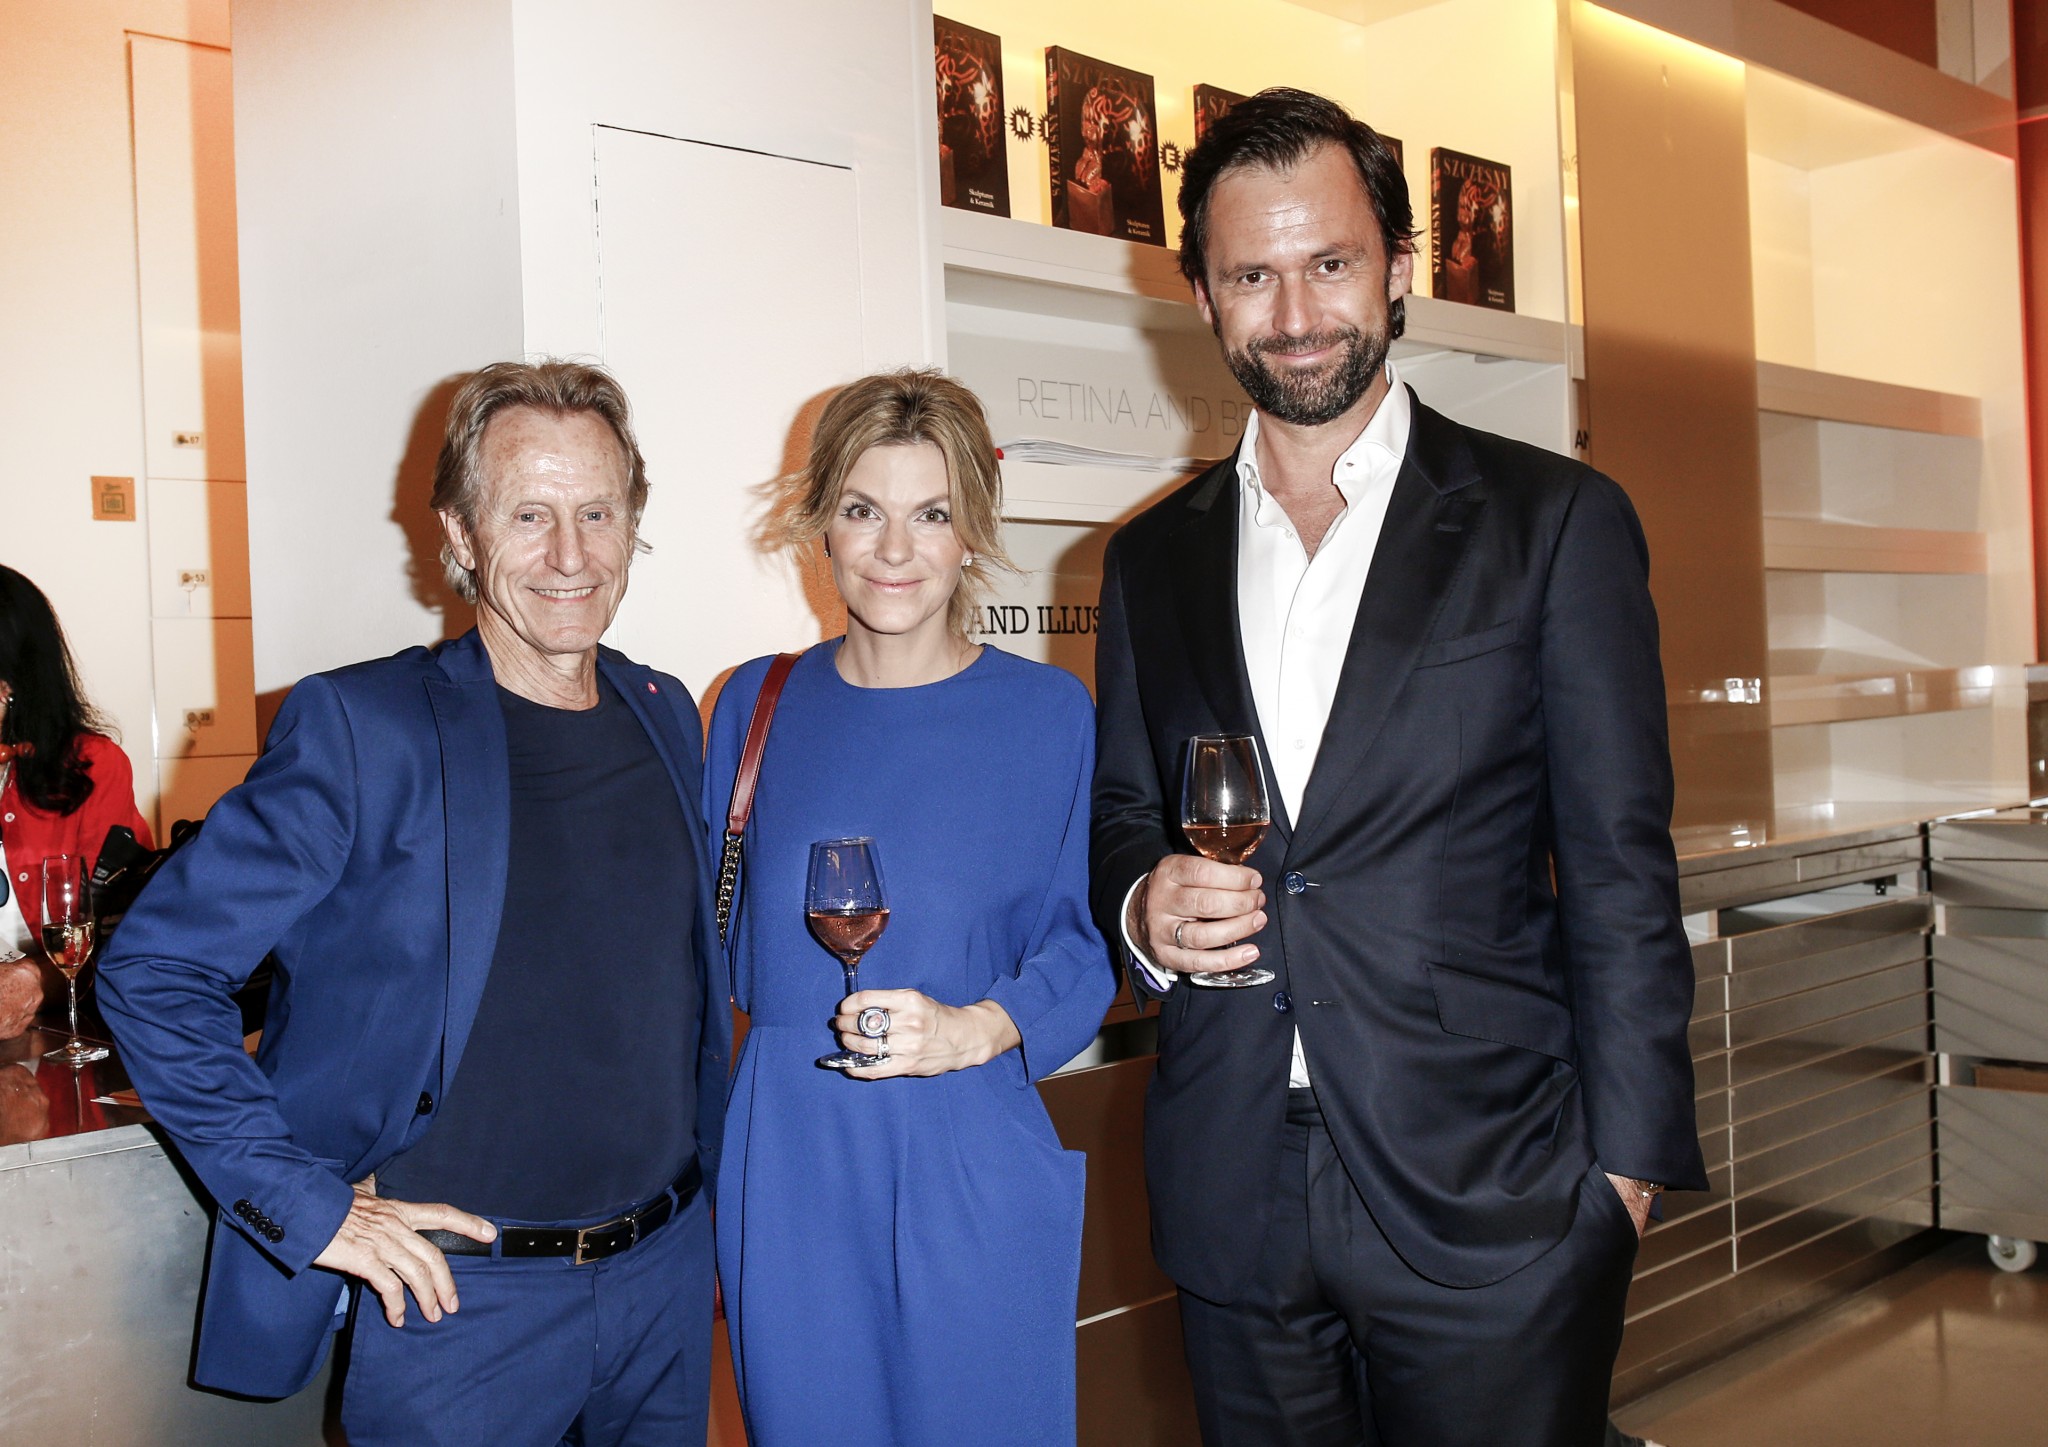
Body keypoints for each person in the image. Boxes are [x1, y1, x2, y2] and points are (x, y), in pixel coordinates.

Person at [1089, 89, 1709, 1446]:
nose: (1297, 310)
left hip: (1498, 1187)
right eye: (1252, 272)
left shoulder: (1555, 523)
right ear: (1201, 291)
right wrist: (1143, 905)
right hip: (1235, 1184)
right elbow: (1125, 816)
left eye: (1332, 262)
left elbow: (1618, 863)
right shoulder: (1149, 559)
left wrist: (1626, 1172)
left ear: (1401, 268)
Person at [97, 360, 728, 1447]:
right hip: (458, 1312)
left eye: (596, 513)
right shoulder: (364, 729)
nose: (570, 554)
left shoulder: (666, 710)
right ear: (462, 534)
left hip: (663, 1285)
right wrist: (310, 1205)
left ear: (633, 524)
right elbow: (153, 970)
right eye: (529, 515)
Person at [706, 368, 1114, 1446]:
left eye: (929, 514)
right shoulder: (751, 703)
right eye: (861, 511)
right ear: (820, 525)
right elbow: (701, 956)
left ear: (972, 526)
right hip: (790, 1155)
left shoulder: (1046, 714)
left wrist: (976, 1027)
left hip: (968, 1142)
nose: (893, 550)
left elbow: (1080, 946)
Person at [0, 566, 153, 987]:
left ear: (9, 683)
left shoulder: (93, 766)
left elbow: (120, 929)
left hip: (57, 1018)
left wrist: (32, 983)